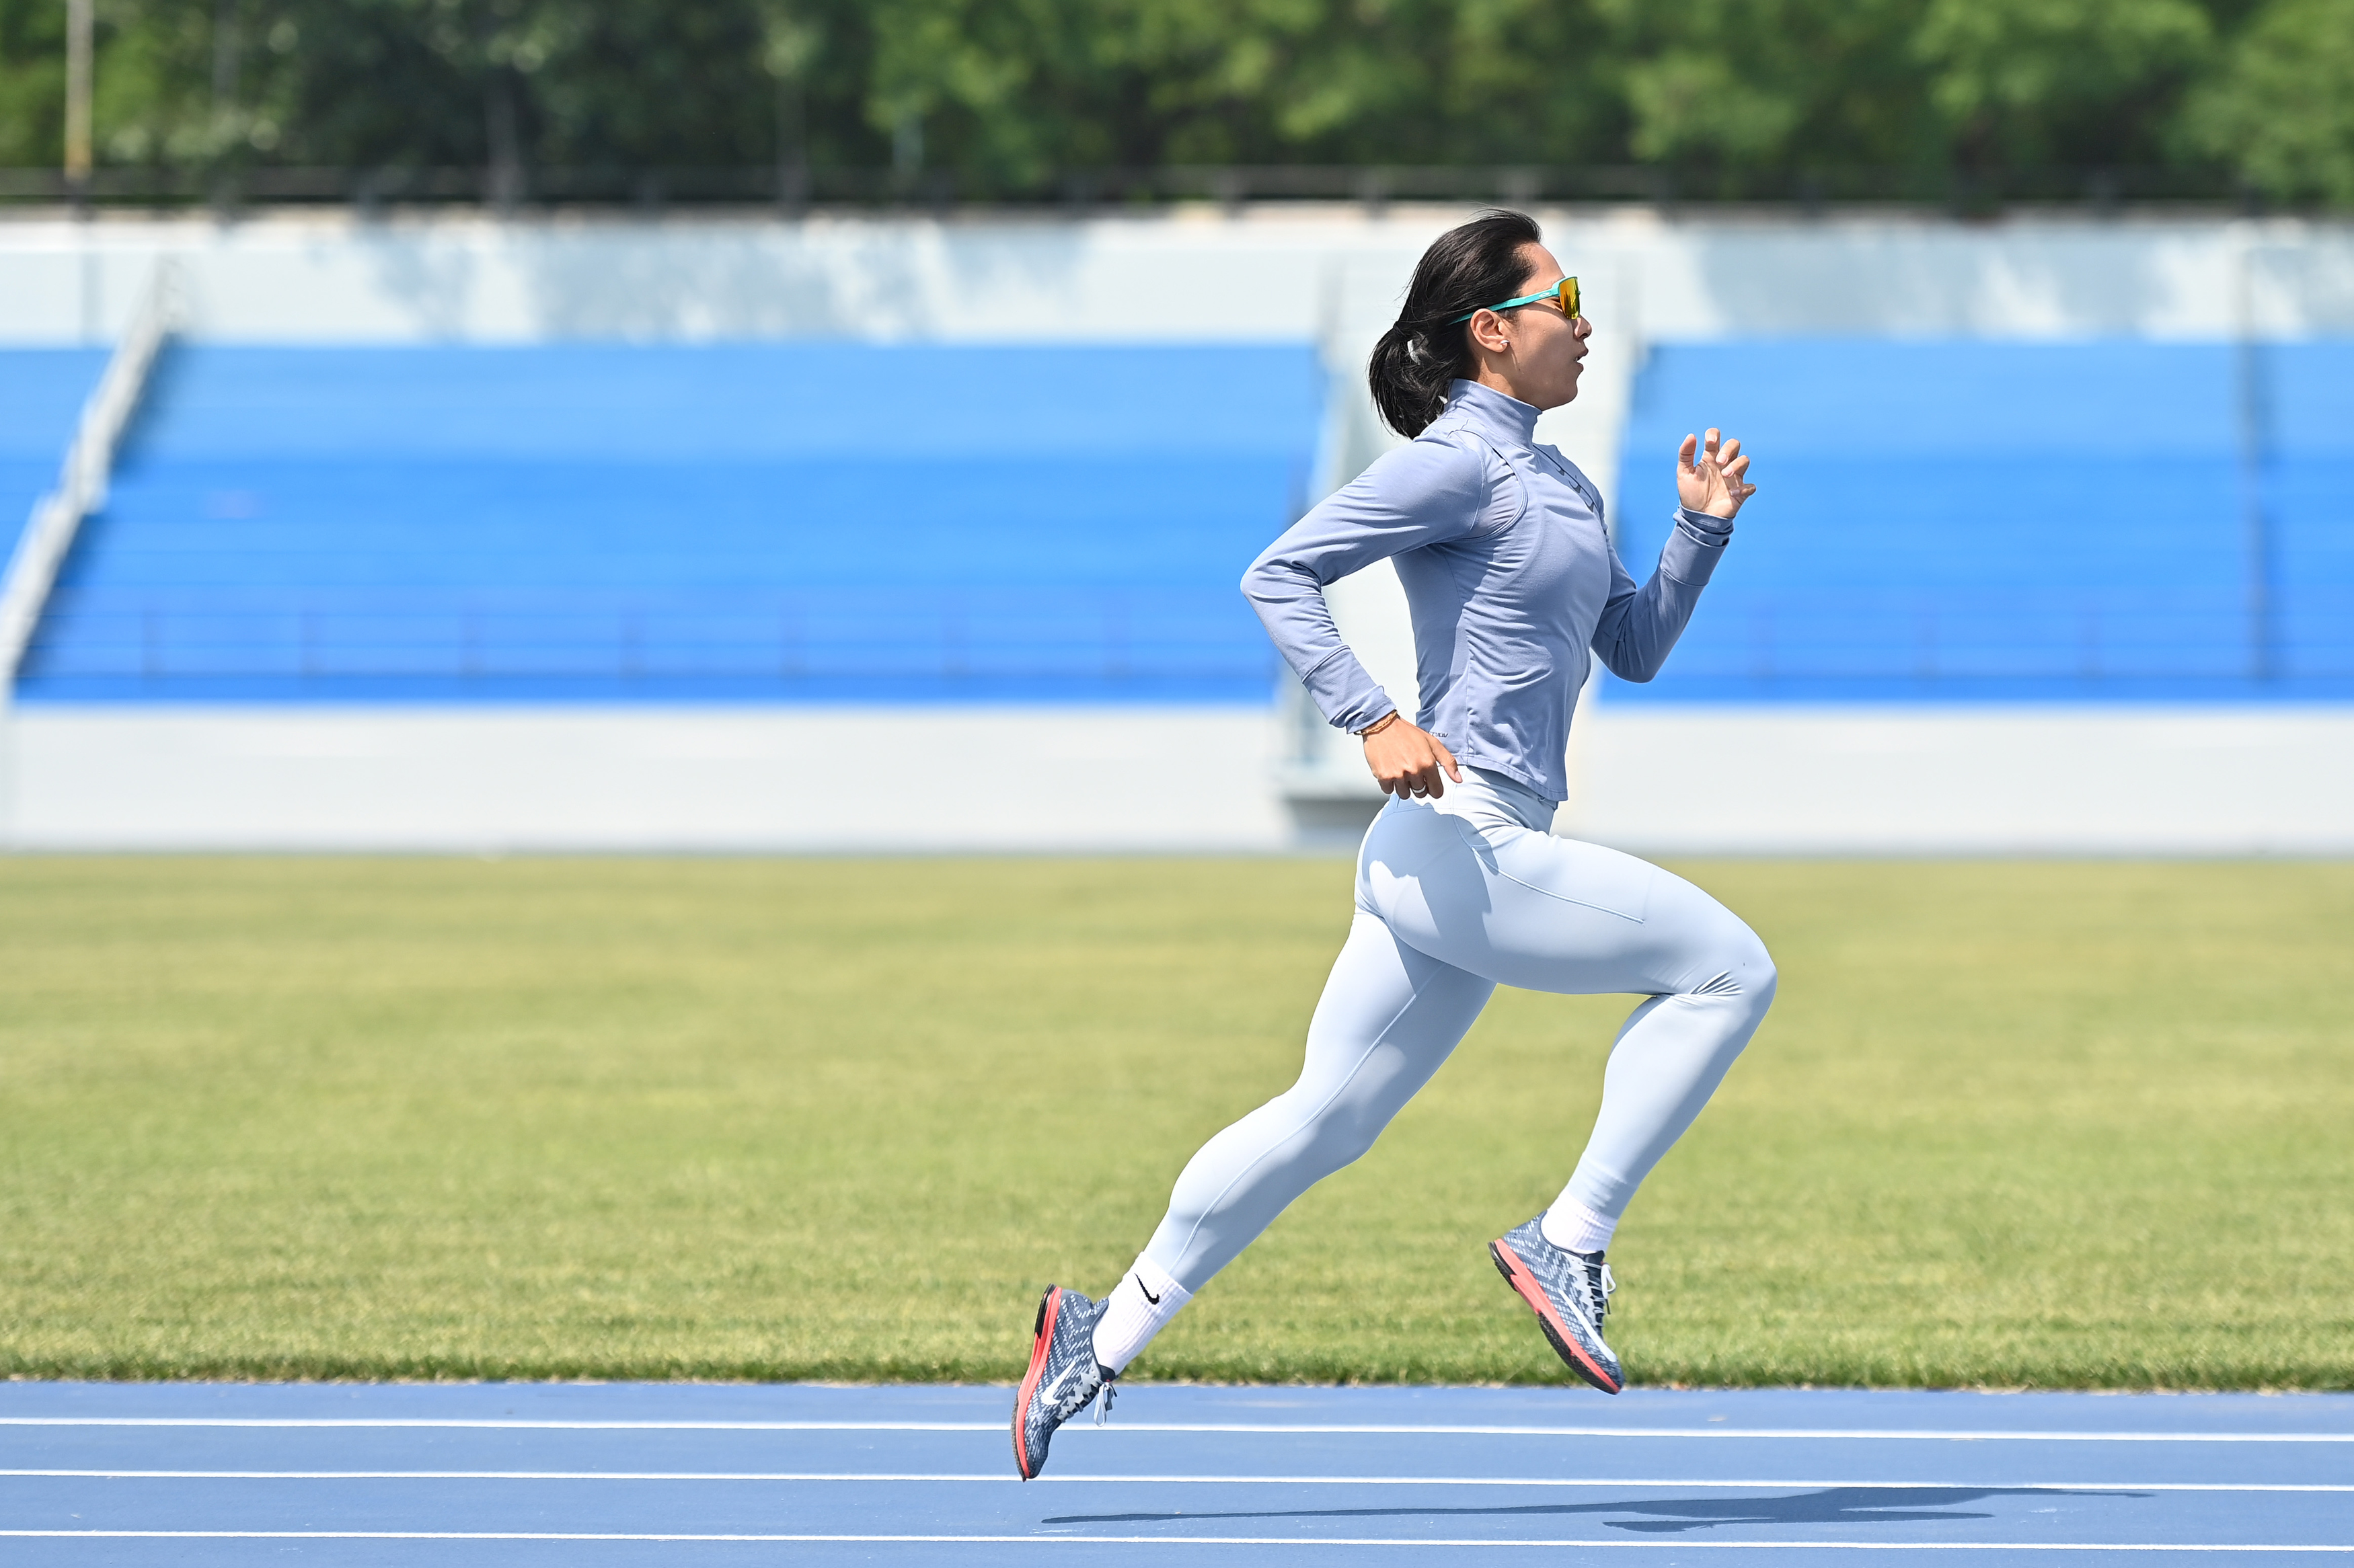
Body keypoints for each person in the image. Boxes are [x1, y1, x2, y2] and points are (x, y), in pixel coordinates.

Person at [1012, 209, 1771, 1480]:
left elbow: (1629, 650)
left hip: (1457, 856)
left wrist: (1699, 533)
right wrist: (1370, 718)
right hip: (1457, 840)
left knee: (1324, 1123)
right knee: (1729, 969)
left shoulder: (1564, 481)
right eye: (1560, 296)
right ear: (1492, 332)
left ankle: (1099, 1333)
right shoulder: (1459, 465)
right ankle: (1569, 1238)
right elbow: (1278, 573)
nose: (1583, 322)